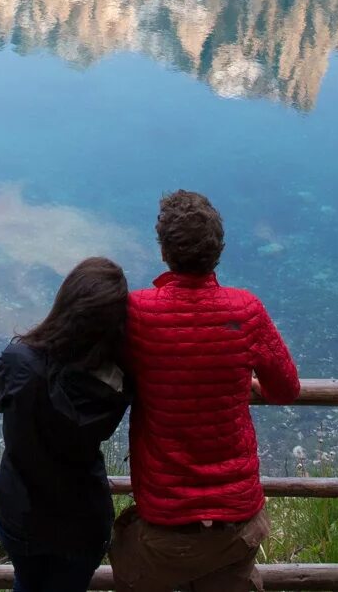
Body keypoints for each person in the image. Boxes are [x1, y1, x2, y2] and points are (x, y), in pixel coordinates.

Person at [111, 191, 299, 592]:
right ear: (219, 250)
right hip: (236, 520)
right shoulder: (245, 310)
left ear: (164, 252)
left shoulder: (138, 312)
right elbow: (285, 389)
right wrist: (238, 378)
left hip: (165, 518)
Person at [0, 256, 134, 592]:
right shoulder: (116, 384)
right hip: (83, 521)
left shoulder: (20, 363)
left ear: (65, 302)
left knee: (27, 581)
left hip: (20, 511)